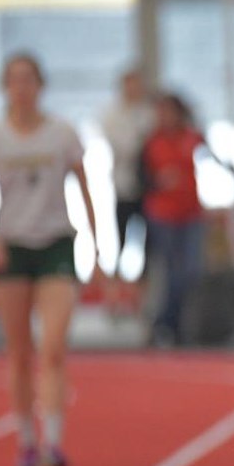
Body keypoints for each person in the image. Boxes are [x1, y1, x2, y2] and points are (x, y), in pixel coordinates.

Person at [0, 53, 100, 466]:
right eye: (14, 80)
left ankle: (55, 441)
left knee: (54, 347)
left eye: (29, 79)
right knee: (20, 352)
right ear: (5, 87)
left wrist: (96, 245)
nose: (22, 88)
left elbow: (85, 186)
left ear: (40, 85)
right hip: (13, 248)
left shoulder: (61, 134)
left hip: (57, 244)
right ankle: (26, 438)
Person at [139, 93, 208, 347]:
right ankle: (167, 325)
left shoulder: (192, 136)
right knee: (171, 273)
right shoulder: (151, 142)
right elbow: (140, 180)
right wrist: (159, 181)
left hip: (191, 214)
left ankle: (168, 323)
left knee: (191, 272)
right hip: (163, 215)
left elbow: (215, 158)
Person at [99, 67, 155, 318]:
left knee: (147, 249)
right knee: (120, 245)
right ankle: (113, 298)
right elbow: (126, 147)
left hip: (149, 191)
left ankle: (139, 302)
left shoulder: (149, 113)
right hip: (123, 188)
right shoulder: (112, 116)